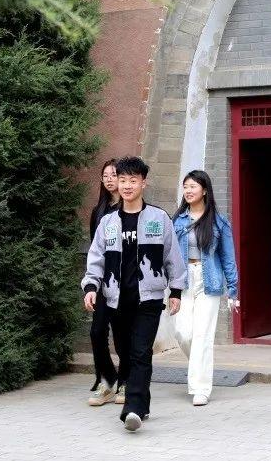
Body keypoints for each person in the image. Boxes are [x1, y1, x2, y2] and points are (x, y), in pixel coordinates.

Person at [81, 156, 186, 432]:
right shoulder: (108, 222)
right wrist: (91, 286)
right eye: (123, 180)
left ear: (143, 183)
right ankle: (143, 404)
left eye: (133, 180)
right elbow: (96, 258)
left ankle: (134, 408)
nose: (127, 186)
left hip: (149, 299)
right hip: (116, 299)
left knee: (141, 352)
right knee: (126, 351)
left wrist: (176, 291)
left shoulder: (159, 219)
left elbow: (172, 257)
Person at [171, 170, 239, 406]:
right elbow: (169, 255)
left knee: (202, 336)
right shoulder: (177, 220)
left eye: (193, 186)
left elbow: (228, 258)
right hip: (183, 280)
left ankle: (201, 388)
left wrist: (233, 290)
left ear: (205, 190)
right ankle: (198, 366)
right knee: (183, 333)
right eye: (185, 187)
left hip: (209, 280)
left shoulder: (219, 222)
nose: (188, 191)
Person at [86, 159, 127, 406]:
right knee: (97, 331)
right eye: (106, 176)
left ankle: (125, 381)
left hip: (125, 282)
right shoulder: (99, 211)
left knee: (122, 333)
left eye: (114, 175)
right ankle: (107, 379)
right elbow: (95, 249)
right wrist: (92, 283)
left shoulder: (130, 208)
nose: (110, 179)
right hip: (103, 280)